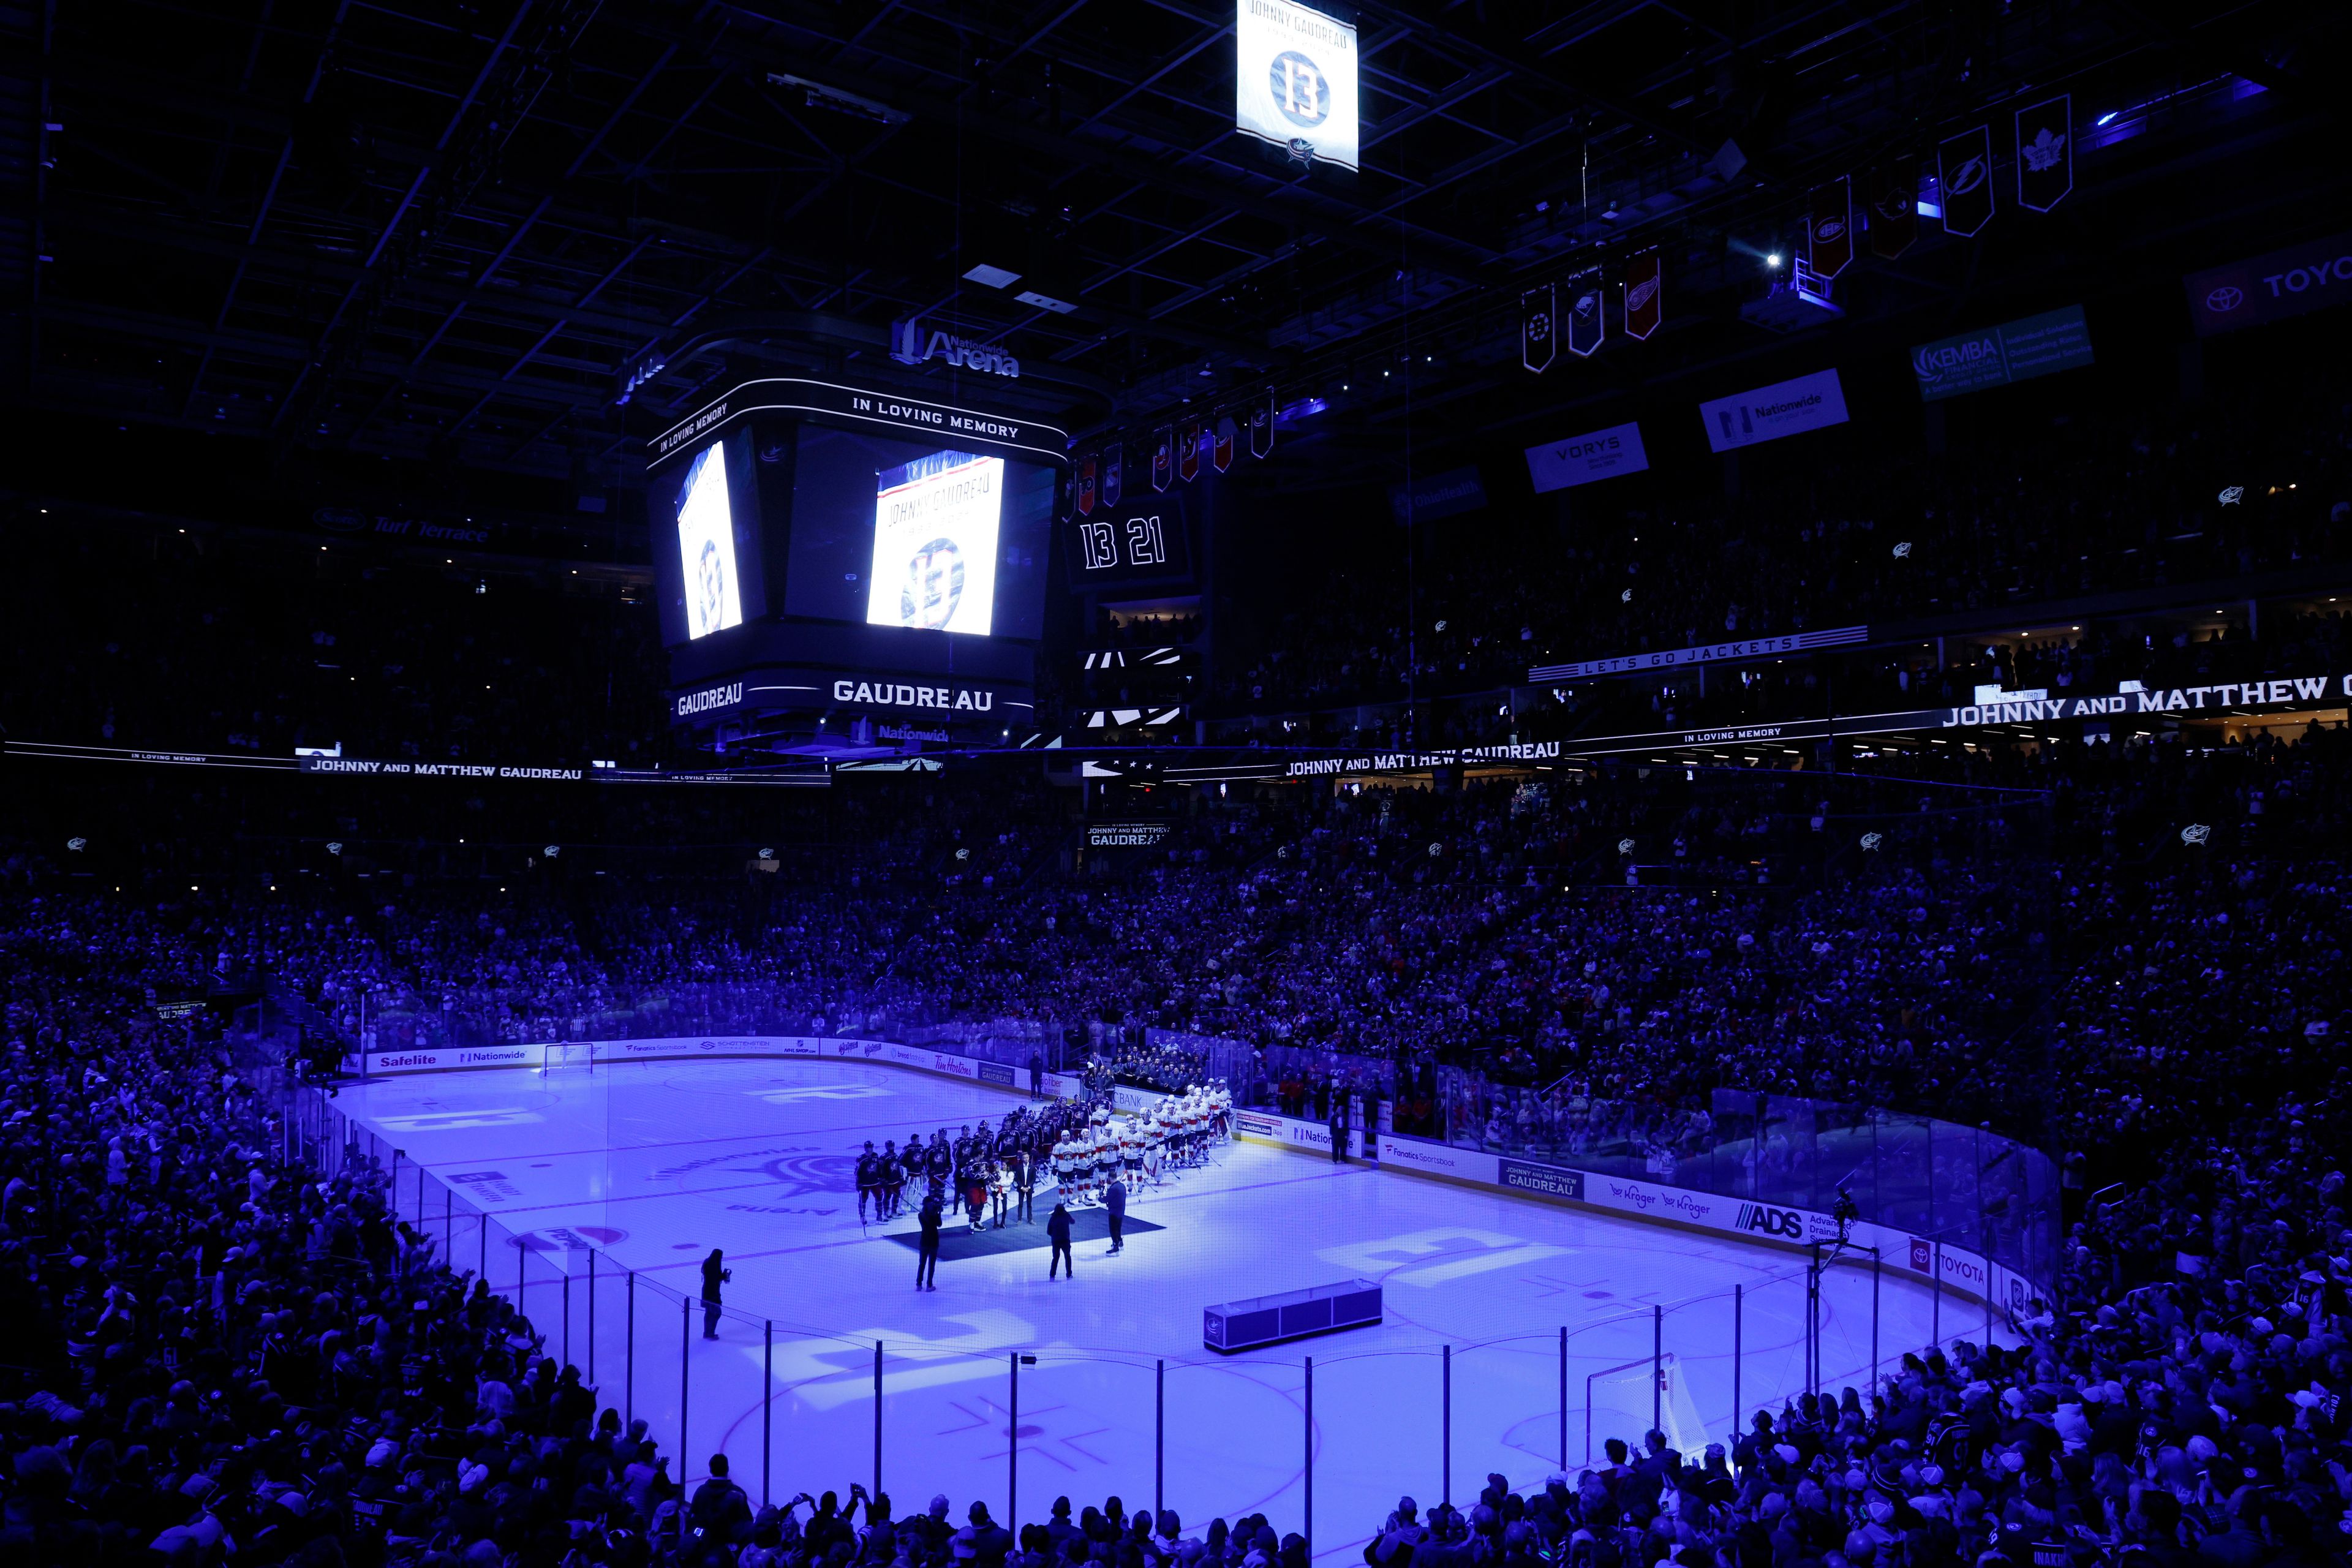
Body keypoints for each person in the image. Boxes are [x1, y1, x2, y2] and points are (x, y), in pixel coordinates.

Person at [700, 1248, 730, 1338]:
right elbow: (714, 1279)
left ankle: (707, 1332)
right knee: (716, 1313)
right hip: (713, 1294)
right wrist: (724, 1276)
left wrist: (722, 1275)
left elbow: (713, 1277)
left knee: (709, 1313)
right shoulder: (714, 1266)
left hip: (707, 1292)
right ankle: (710, 1333)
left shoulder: (708, 1263)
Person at [916, 1193, 942, 1290]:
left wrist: (936, 1211)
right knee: (932, 1265)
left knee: (922, 1264)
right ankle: (929, 1285)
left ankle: (919, 1284)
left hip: (924, 1241)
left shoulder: (921, 1215)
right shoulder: (934, 1216)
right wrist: (938, 1212)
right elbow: (939, 1224)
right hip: (934, 1241)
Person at [1047, 1200, 1074, 1280]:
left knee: (1055, 1258)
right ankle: (1069, 1274)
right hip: (1065, 1240)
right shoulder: (1066, 1215)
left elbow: (1048, 1231)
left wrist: (1054, 1236)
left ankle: (1052, 1275)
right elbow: (1073, 1221)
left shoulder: (1053, 1217)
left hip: (1056, 1241)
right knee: (1068, 1257)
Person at [856, 1140, 880, 1224]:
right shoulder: (861, 1159)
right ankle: (863, 1217)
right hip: (864, 1184)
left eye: (871, 1147)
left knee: (879, 1197)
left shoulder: (876, 1156)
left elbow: (879, 1168)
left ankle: (879, 1216)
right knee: (863, 1200)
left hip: (875, 1182)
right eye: (868, 1148)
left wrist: (881, 1178)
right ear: (865, 1149)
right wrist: (858, 1183)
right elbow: (856, 1172)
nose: (870, 1150)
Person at [1104, 1173, 1127, 1255]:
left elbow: (1106, 1199)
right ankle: (1120, 1243)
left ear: (1110, 1178)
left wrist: (1100, 1198)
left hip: (1114, 1212)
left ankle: (1116, 1248)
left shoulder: (1113, 1188)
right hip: (1121, 1211)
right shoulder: (1122, 1186)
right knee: (1118, 1228)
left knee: (1113, 1230)